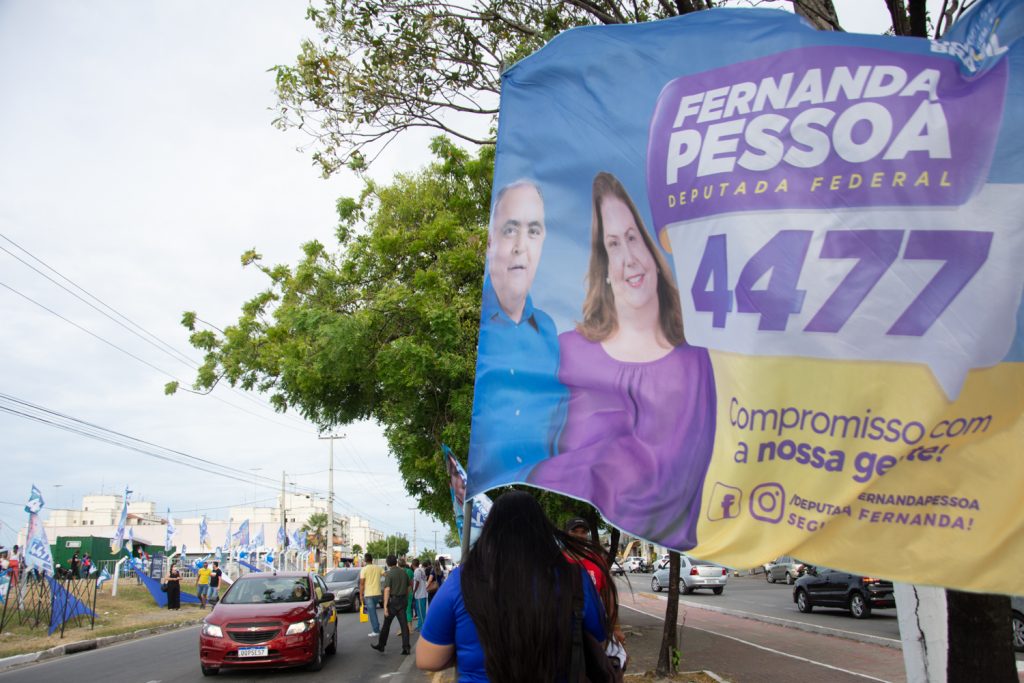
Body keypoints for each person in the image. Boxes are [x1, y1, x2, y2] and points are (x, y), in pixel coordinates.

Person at [529, 172, 716, 551]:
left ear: (652, 249)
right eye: (613, 245)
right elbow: (532, 457)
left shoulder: (700, 365)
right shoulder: (566, 354)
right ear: (605, 268)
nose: (629, 258)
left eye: (633, 238)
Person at [417, 491, 611, 682]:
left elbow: (428, 659)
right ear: (542, 529)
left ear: (491, 530)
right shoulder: (575, 578)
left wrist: (465, 653)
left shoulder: (462, 580)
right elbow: (599, 642)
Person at [467, 180, 568, 494]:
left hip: (542, 498)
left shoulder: (550, 333)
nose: (521, 245)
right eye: (510, 229)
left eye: (533, 231)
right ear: (490, 240)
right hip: (488, 494)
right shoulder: (470, 322)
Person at [370, 555, 411, 655]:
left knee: (386, 624)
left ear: (387, 563)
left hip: (393, 602)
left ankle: (381, 645)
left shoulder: (389, 574)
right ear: (396, 562)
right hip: (402, 600)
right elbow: (410, 586)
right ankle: (406, 647)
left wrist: (385, 606)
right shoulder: (403, 573)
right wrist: (405, 595)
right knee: (404, 625)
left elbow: (387, 589)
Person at [360, 553, 384, 638]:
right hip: (378, 593)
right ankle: (377, 627)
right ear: (372, 559)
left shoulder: (364, 569)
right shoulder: (378, 568)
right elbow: (386, 575)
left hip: (369, 594)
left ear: (365, 560)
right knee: (373, 612)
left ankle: (376, 630)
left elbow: (362, 584)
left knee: (372, 613)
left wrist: (361, 595)